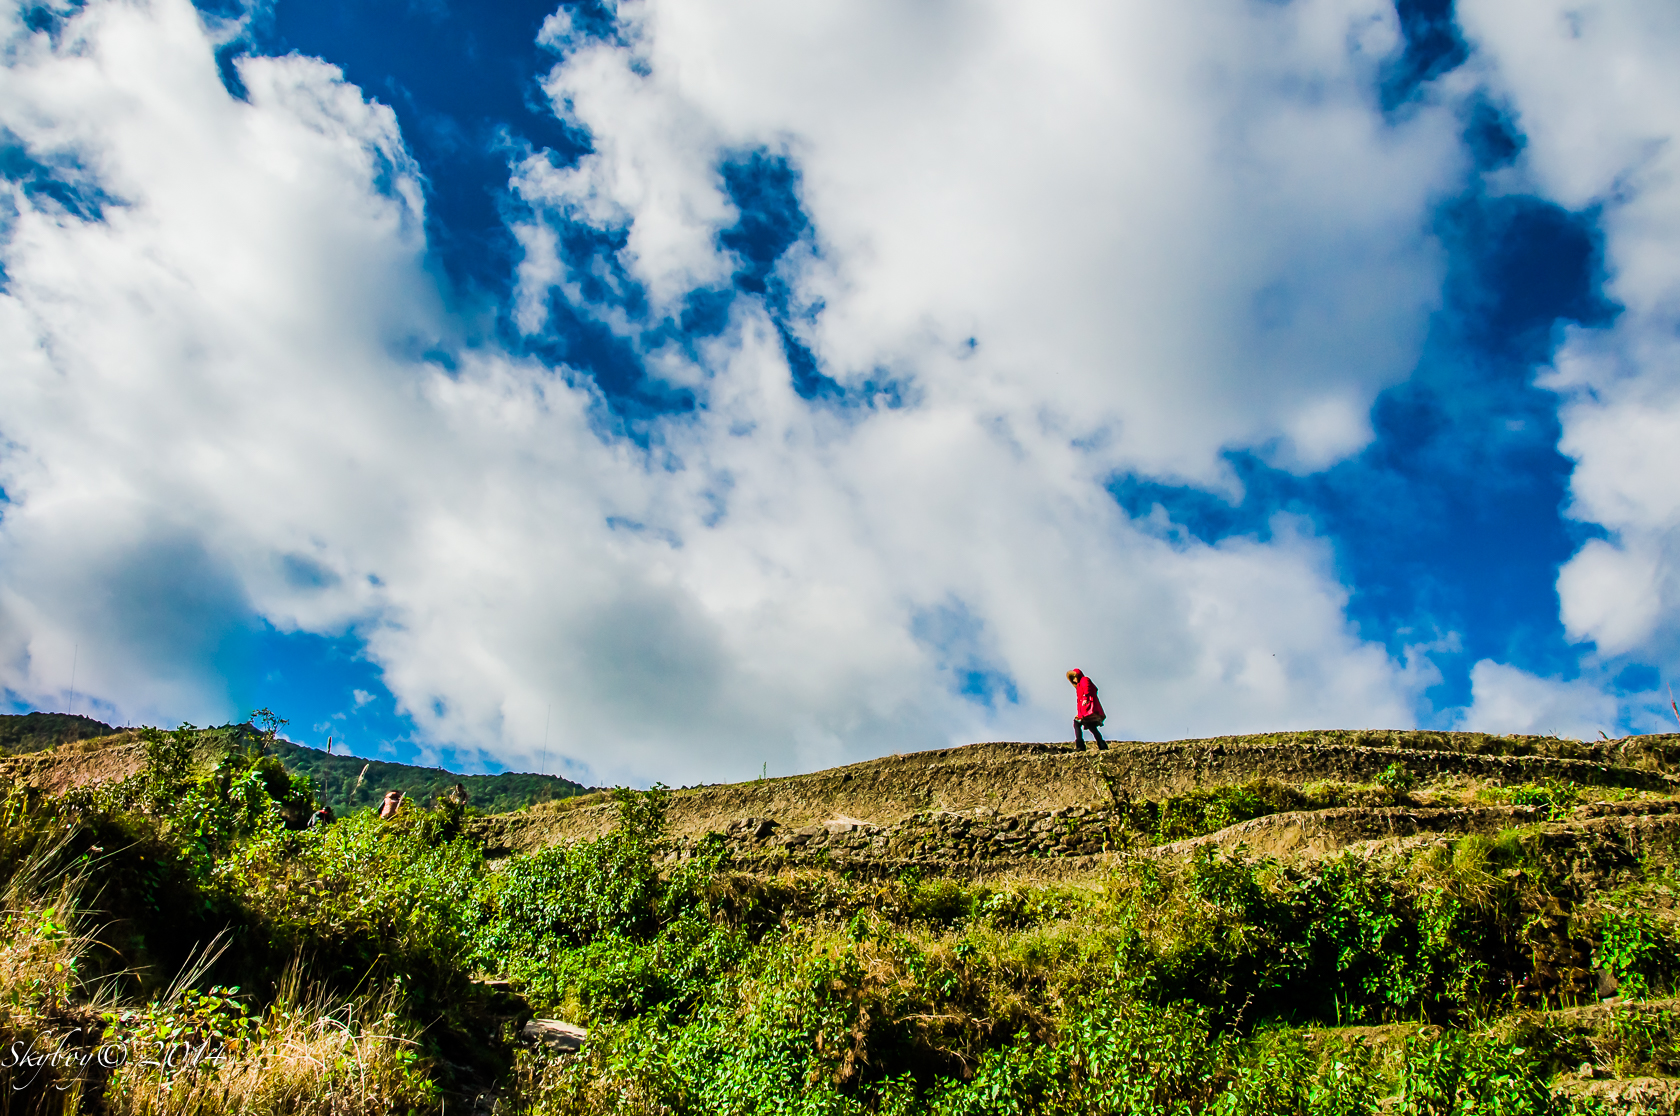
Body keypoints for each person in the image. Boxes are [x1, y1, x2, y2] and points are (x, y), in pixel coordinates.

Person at [1067, 668, 1107, 751]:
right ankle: (1102, 745)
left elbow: (1087, 688)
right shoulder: (1079, 686)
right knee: (1092, 727)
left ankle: (1080, 745)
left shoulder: (1084, 680)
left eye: (1074, 677)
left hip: (1087, 709)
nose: (1074, 679)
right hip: (1085, 710)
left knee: (1077, 723)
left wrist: (1085, 697)